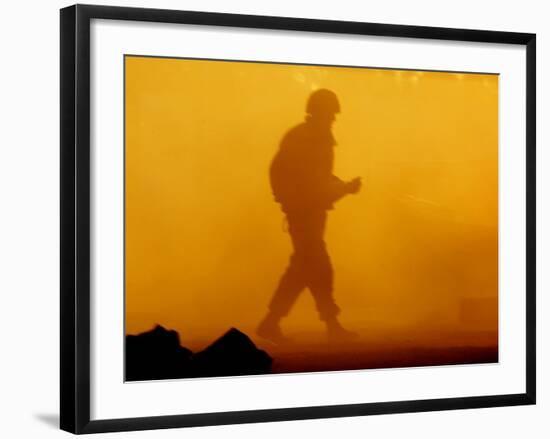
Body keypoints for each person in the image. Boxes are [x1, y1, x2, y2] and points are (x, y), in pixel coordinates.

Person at [257, 89, 362, 344]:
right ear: (320, 113)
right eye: (330, 114)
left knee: (307, 268)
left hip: (307, 212)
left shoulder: (307, 137)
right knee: (316, 267)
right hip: (305, 214)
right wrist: (344, 189)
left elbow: (315, 179)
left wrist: (341, 187)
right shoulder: (309, 139)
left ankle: (275, 322)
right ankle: (326, 324)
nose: (333, 119)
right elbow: (311, 183)